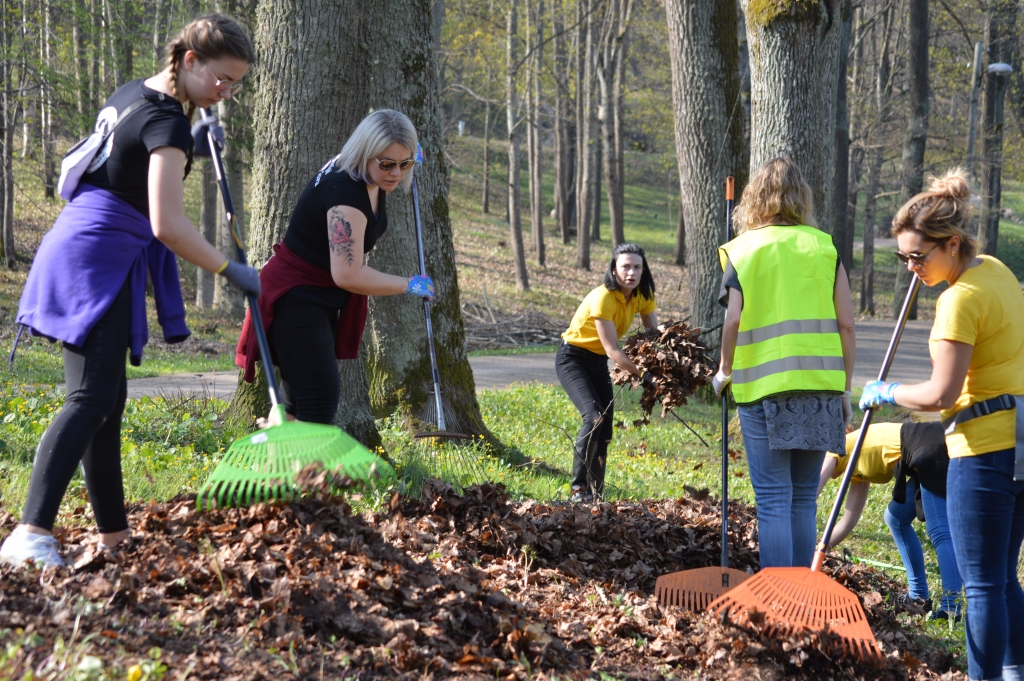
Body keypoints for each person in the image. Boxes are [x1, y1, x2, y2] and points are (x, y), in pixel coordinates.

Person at [0, 15, 260, 569]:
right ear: (190, 60)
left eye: (236, 85)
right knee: (91, 399)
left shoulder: (137, 94)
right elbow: (167, 224)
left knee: (107, 402)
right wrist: (228, 269)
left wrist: (190, 141)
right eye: (221, 79)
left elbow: (126, 164)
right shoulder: (167, 121)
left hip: (87, 247)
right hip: (98, 257)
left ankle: (115, 537)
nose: (226, 93)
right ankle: (30, 533)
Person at [859, 169, 1024, 681]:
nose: (911, 269)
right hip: (1019, 440)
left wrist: (887, 391)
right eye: (902, 258)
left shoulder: (959, 299)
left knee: (981, 585)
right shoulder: (995, 270)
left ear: (952, 244)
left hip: (983, 448)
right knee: (1003, 579)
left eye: (918, 257)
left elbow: (940, 394)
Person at [235, 110, 435, 424]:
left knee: (299, 401)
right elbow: (347, 274)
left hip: (316, 298)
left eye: (405, 163)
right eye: (387, 164)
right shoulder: (346, 197)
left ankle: (278, 453)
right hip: (295, 298)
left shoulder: (359, 166)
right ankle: (303, 458)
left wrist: (403, 155)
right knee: (318, 401)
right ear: (365, 153)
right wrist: (409, 284)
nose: (396, 173)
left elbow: (389, 156)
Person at [714, 157, 856, 568]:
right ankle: (800, 593)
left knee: (774, 498)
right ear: (801, 198)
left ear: (754, 198)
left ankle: (778, 596)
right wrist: (845, 390)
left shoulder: (743, 249)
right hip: (821, 389)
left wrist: (724, 371)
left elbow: (733, 319)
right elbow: (847, 325)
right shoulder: (824, 247)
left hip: (764, 390)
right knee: (803, 498)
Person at [818, 421, 962, 620]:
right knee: (895, 518)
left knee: (939, 531)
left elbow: (808, 494)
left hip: (931, 445)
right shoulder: (854, 464)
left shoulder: (834, 448)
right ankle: (918, 596)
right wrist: (821, 549)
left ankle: (951, 609)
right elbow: (848, 521)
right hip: (924, 448)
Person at [557, 243, 658, 502]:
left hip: (597, 363)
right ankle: (578, 490)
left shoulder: (643, 296)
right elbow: (613, 350)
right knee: (594, 419)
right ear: (614, 270)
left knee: (605, 433)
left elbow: (653, 336)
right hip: (573, 359)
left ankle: (596, 495)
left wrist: (661, 361)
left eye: (637, 267)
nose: (631, 272)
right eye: (625, 267)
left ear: (643, 270)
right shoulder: (603, 297)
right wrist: (643, 375)